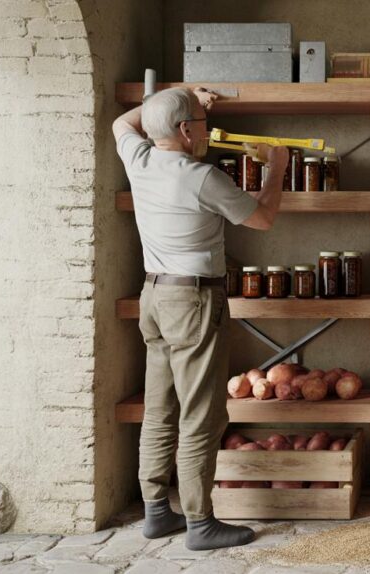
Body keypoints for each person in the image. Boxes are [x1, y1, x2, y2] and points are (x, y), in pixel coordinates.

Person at [112, 87, 289, 550]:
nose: (208, 129)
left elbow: (124, 124)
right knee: (202, 415)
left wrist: (182, 96)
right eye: (201, 121)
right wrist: (276, 168)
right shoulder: (200, 176)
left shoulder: (139, 159)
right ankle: (200, 522)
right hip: (193, 302)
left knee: (160, 408)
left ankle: (156, 511)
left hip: (155, 298)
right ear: (185, 130)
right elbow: (264, 217)